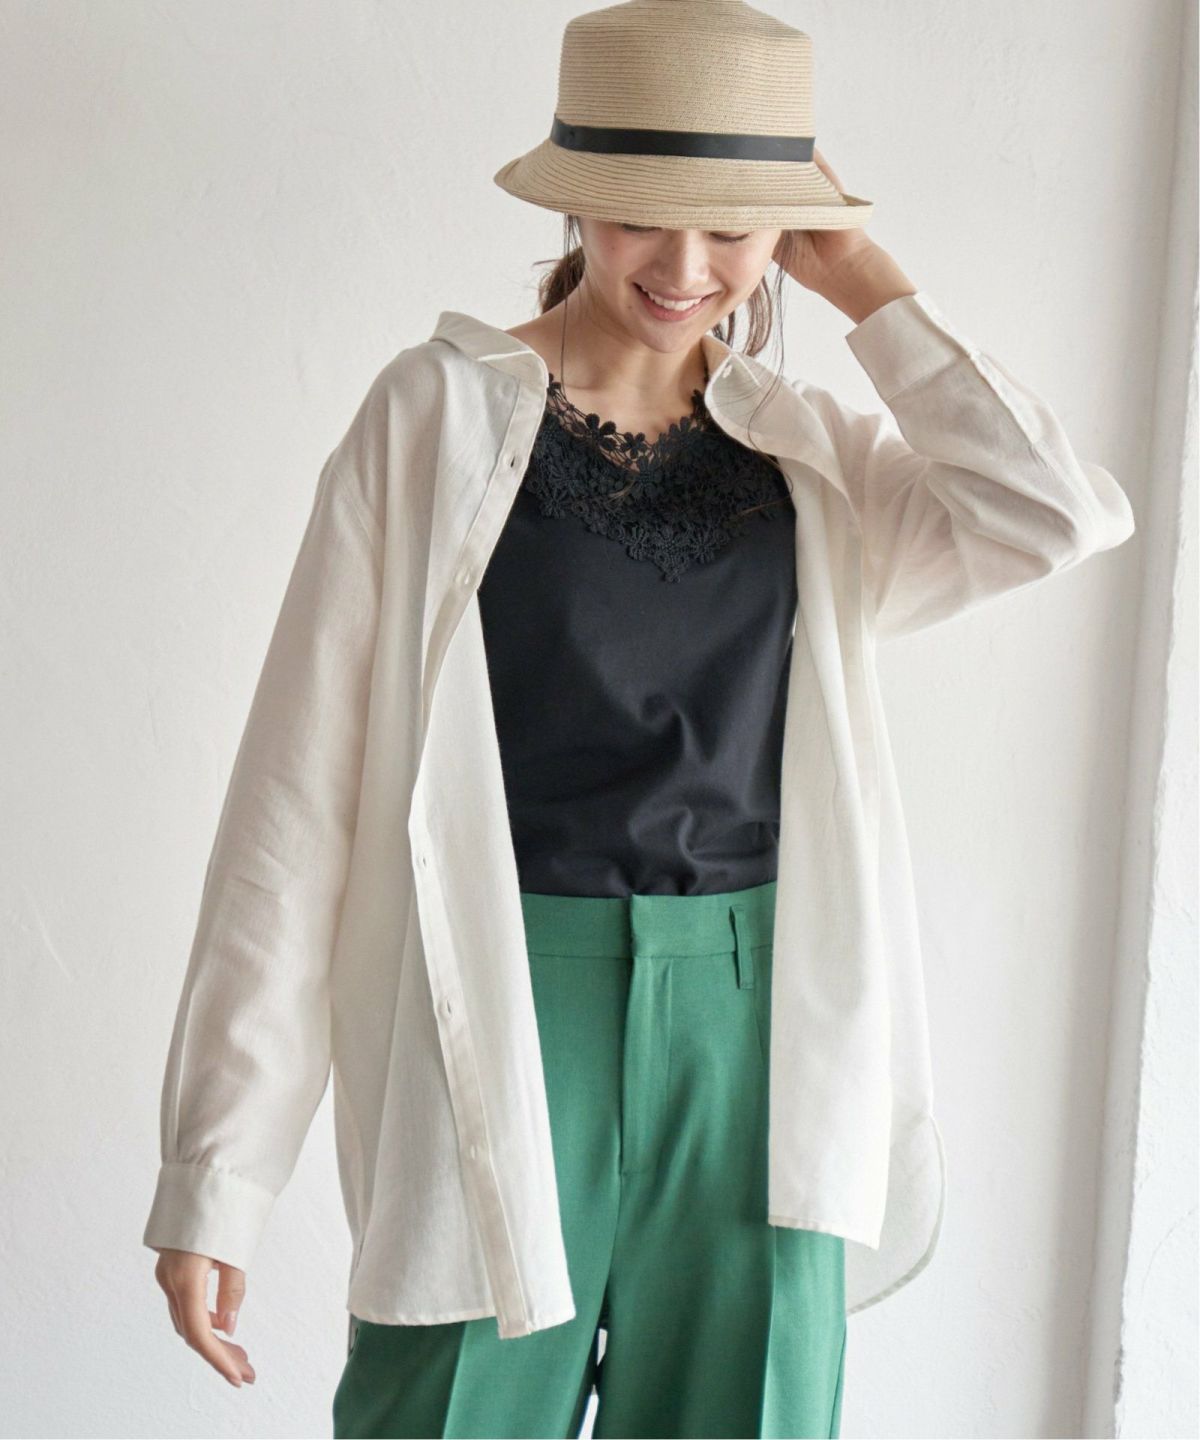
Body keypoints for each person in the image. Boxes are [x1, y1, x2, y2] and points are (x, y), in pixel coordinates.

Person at [143, 3, 1137, 1436]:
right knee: (451, 1409)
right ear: (575, 204)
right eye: (639, 220)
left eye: (733, 228)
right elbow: (297, 804)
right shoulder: (434, 419)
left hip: (759, 1023)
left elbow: (1053, 512)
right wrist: (216, 1175)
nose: (684, 270)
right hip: (504, 996)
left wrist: (863, 278)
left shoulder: (808, 454)